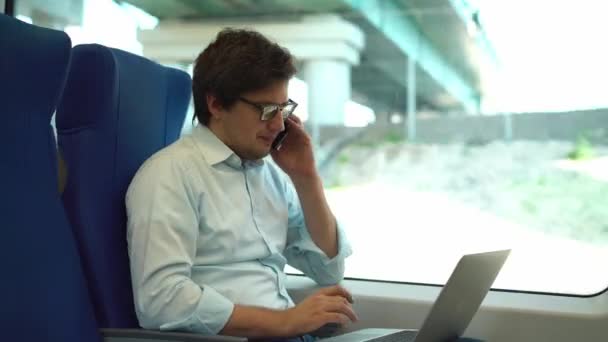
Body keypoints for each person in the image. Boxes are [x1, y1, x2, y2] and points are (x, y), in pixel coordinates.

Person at [125, 28, 356, 341]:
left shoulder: (273, 176)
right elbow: (161, 301)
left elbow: (328, 270)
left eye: (283, 109)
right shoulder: (169, 175)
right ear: (217, 104)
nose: (278, 125)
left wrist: (306, 177)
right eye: (266, 110)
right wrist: (286, 322)